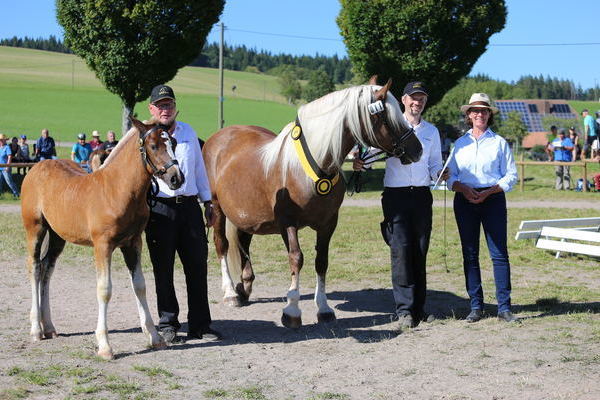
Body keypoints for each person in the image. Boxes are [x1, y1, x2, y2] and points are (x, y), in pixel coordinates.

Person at [353, 81, 445, 330]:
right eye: (413, 98)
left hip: (423, 196)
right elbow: (369, 157)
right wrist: (361, 164)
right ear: (403, 100)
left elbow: (435, 164)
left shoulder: (431, 132)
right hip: (396, 196)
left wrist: (441, 174)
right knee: (401, 252)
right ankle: (404, 311)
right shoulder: (391, 126)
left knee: (420, 251)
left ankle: (419, 309)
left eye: (422, 98)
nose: (418, 102)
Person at [144, 84, 220, 344]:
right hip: (160, 209)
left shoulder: (188, 132)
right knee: (163, 269)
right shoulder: (145, 136)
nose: (166, 109)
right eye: (161, 105)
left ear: (176, 107)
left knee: (197, 267)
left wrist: (208, 202)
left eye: (169, 104)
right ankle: (168, 324)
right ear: (151, 109)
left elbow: (199, 169)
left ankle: (201, 324)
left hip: (189, 207)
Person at [447, 93, 518, 323]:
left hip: (493, 199)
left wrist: (490, 191)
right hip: (465, 200)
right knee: (470, 254)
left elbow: (511, 175)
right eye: (475, 110)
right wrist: (463, 188)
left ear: (489, 114)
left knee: (499, 254)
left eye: (484, 110)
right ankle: (476, 306)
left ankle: (504, 307)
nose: (480, 114)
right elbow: (451, 176)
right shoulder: (459, 144)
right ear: (468, 115)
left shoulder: (499, 143)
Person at [0, 134, 20, 198]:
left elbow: (9, 157)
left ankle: (16, 193)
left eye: (1, 140)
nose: (0, 141)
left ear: (4, 140)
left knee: (9, 182)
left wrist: (7, 166)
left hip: (5, 168)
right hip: (0, 167)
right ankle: (1, 194)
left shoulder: (7, 147)